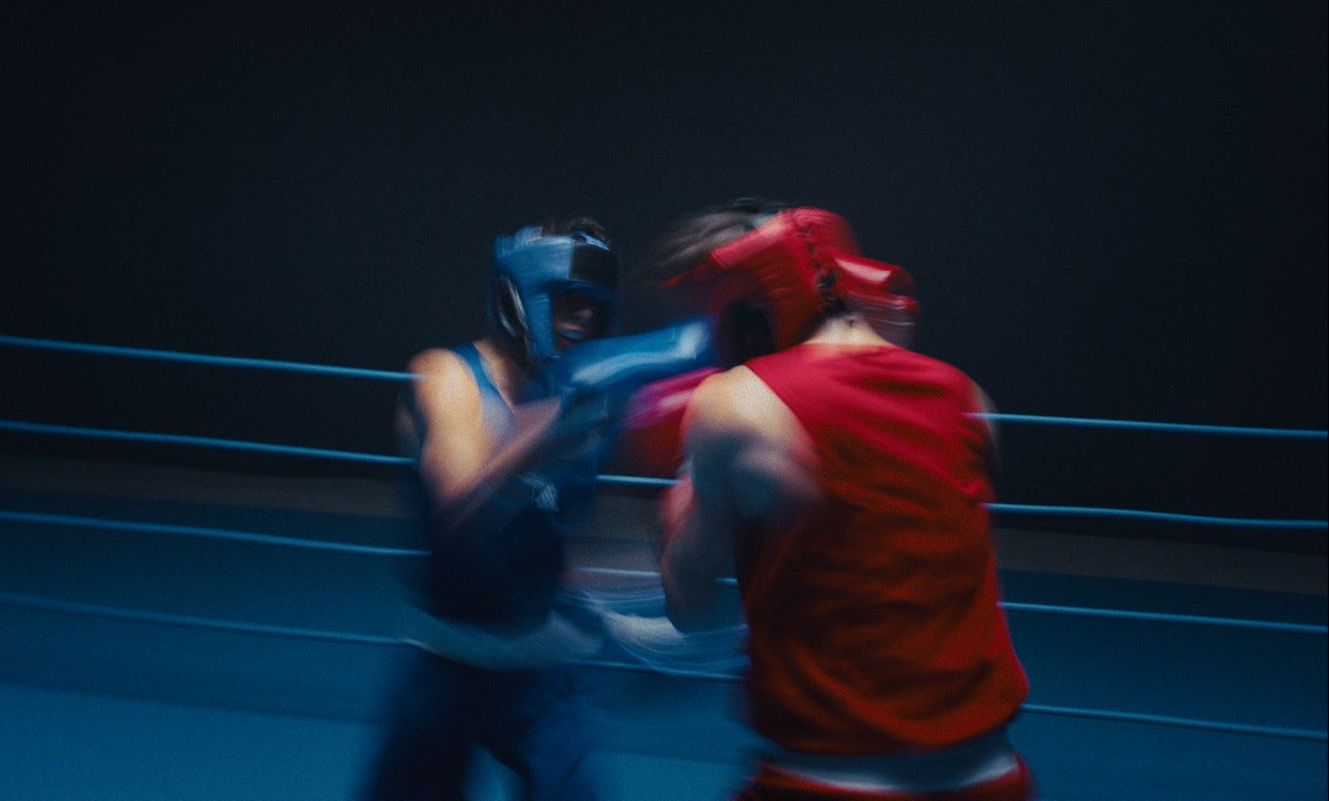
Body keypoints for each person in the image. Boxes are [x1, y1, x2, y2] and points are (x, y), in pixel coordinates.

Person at [647, 200, 1035, 801]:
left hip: (828, 782)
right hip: (995, 776)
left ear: (742, 310)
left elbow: (687, 602)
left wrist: (684, 484)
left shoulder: (734, 404)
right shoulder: (968, 396)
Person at [361, 217, 622, 801]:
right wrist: (551, 427)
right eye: (566, 302)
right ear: (518, 297)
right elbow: (459, 512)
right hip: (448, 663)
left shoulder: (574, 398)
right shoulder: (448, 376)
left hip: (538, 670)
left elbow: (562, 533)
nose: (582, 319)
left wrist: (630, 595)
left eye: (593, 307)